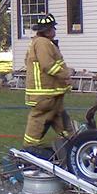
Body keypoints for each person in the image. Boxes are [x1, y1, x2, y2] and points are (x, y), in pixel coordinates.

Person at [23, 14, 73, 157]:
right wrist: (65, 75)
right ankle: (29, 150)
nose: (53, 31)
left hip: (52, 93)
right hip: (44, 94)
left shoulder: (42, 43)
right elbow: (48, 65)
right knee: (39, 119)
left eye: (53, 28)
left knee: (59, 117)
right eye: (51, 28)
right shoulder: (42, 43)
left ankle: (72, 142)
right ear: (44, 30)